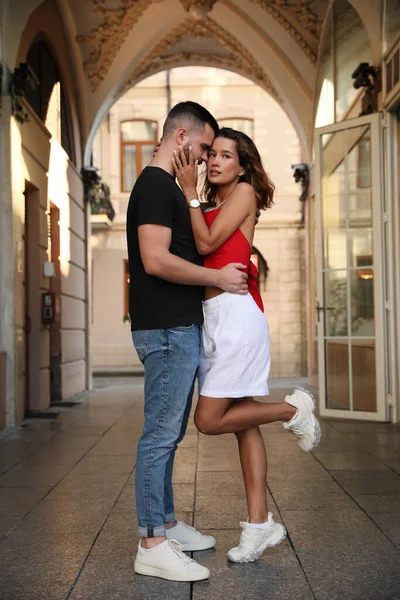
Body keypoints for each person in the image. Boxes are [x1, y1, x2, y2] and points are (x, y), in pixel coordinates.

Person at [172, 127, 321, 564]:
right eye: (211, 155)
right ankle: (260, 525)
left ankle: (291, 410)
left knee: (208, 419)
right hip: (215, 321)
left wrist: (188, 193)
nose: (215, 161)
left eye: (225, 155)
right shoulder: (216, 202)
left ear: (242, 164)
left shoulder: (243, 193)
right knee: (241, 423)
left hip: (237, 320)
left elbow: (206, 244)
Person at [126, 102, 250, 582]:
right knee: (159, 435)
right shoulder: (154, 185)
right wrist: (215, 276)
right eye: (201, 149)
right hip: (165, 330)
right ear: (180, 137)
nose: (203, 161)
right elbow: (156, 260)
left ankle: (168, 525)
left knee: (169, 434)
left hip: (177, 326)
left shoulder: (169, 188)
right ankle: (152, 542)